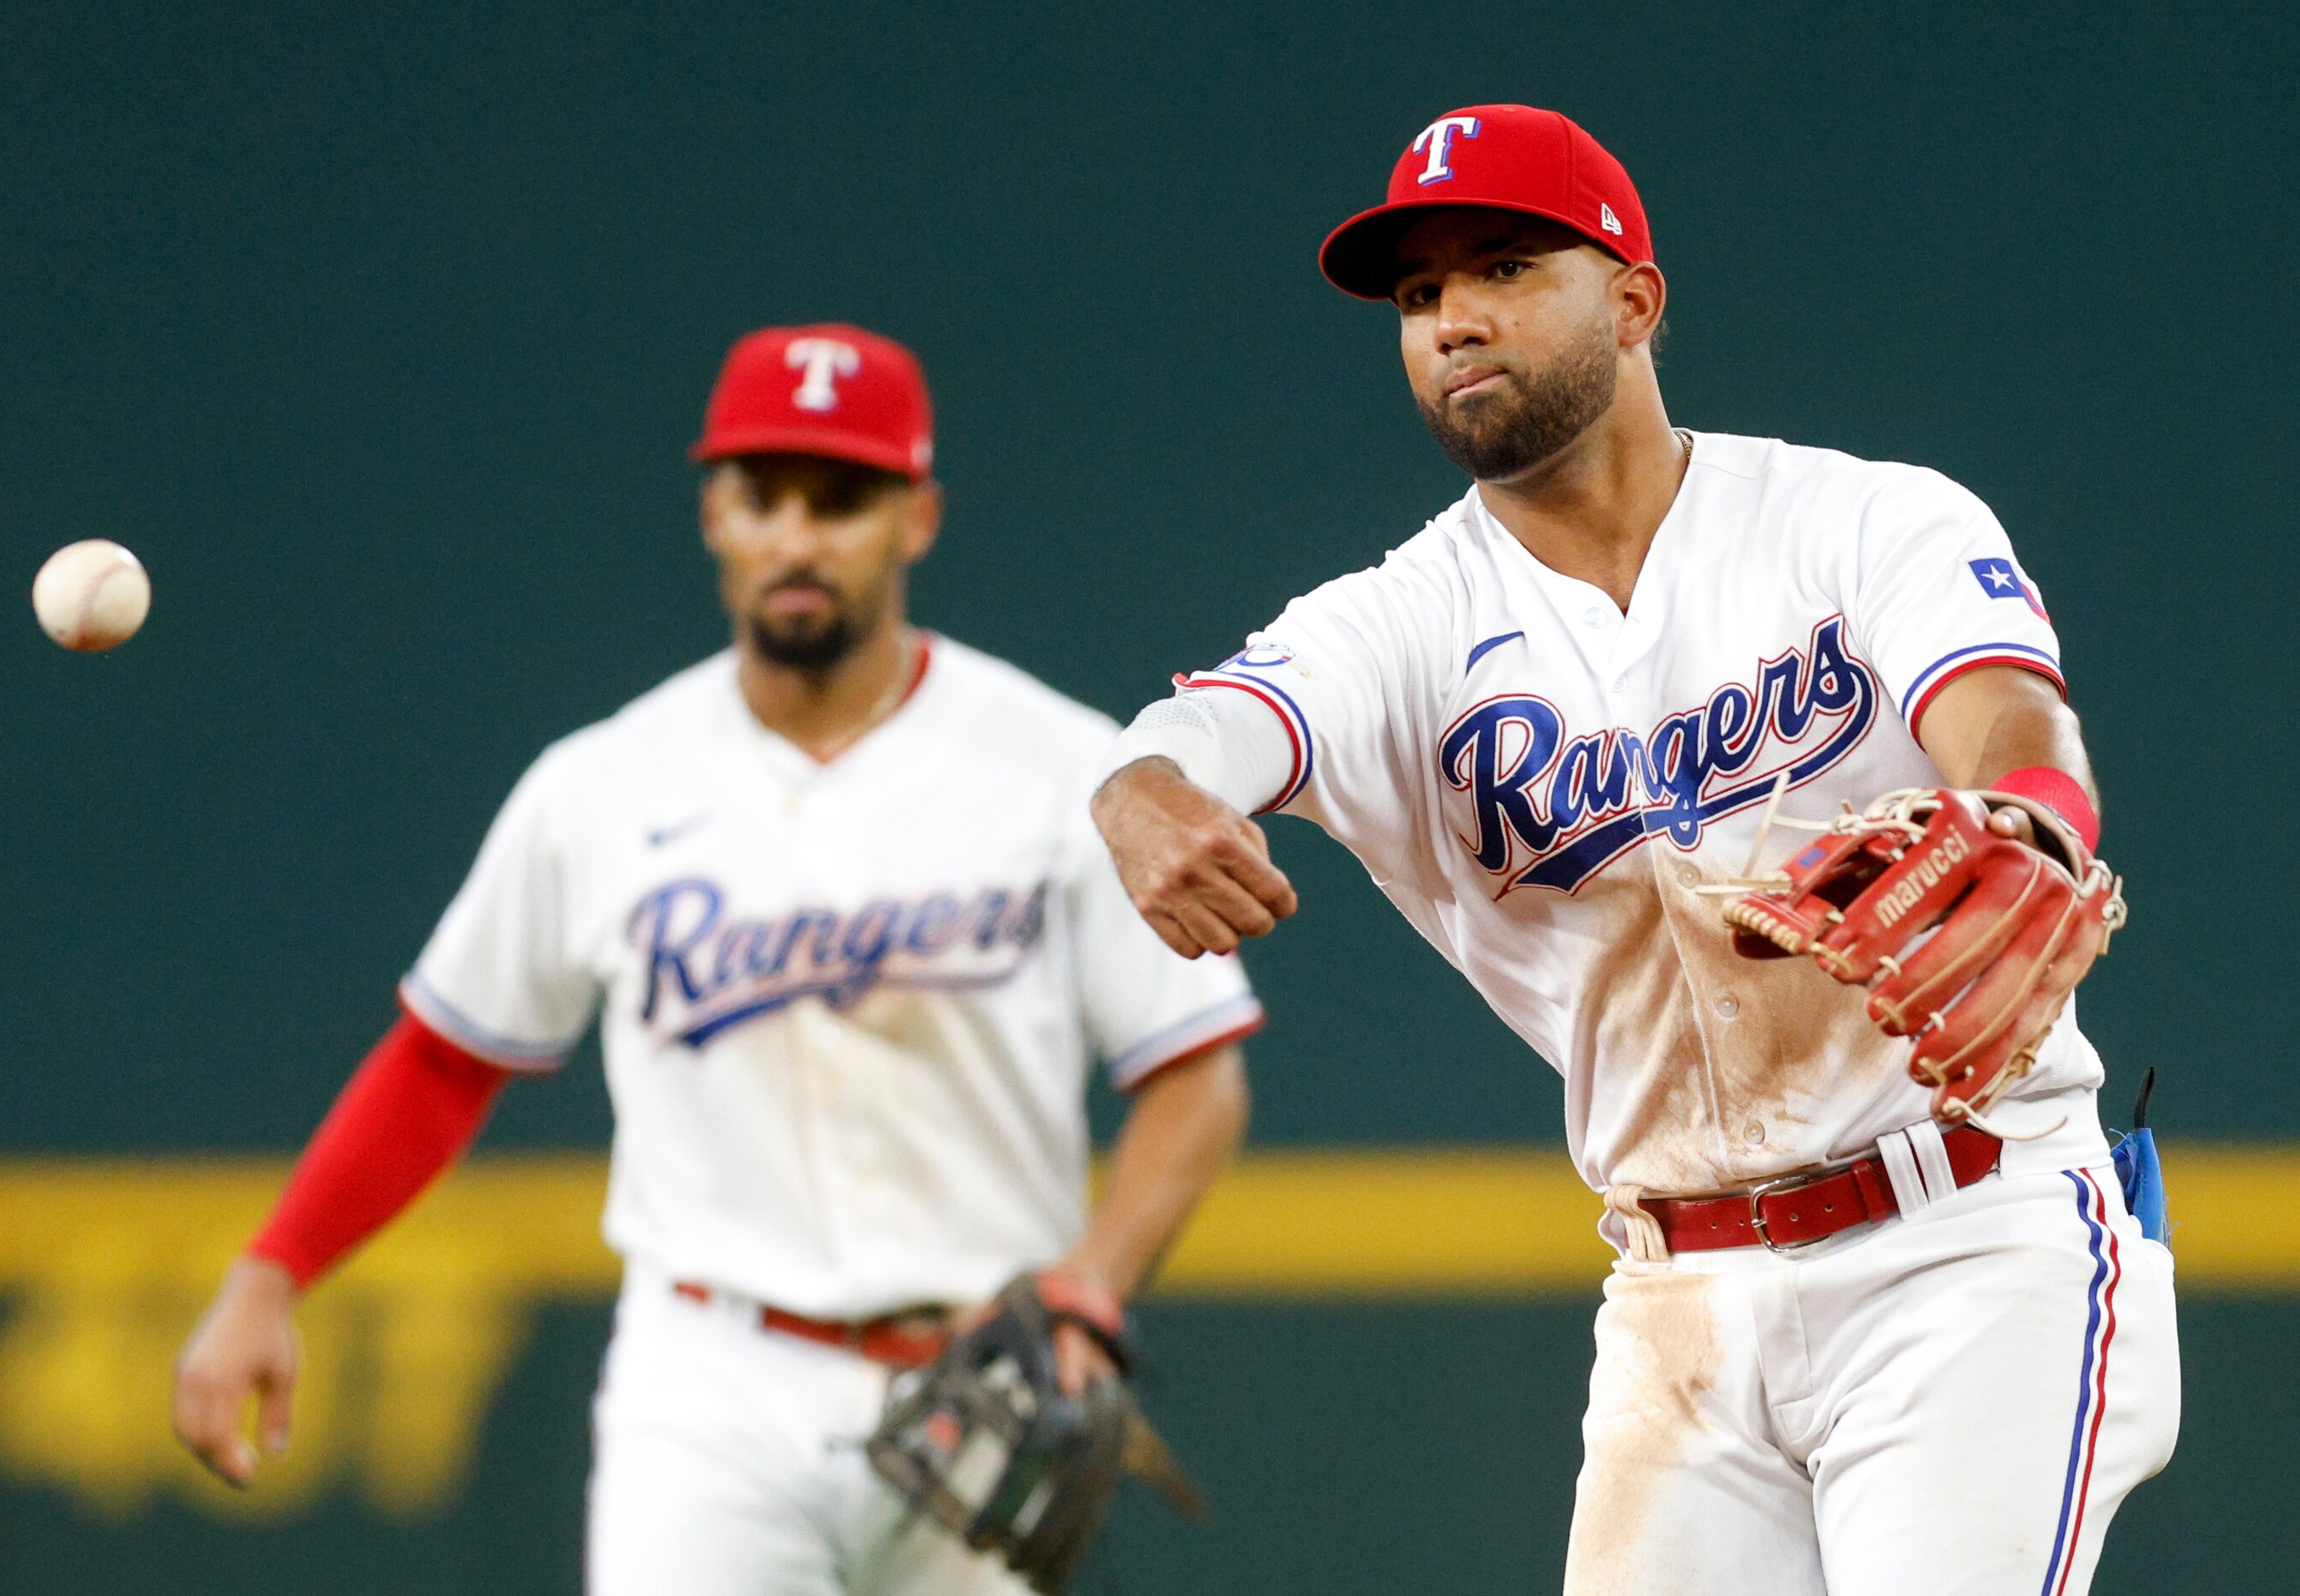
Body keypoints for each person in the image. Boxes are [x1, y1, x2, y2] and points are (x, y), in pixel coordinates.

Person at [1089, 105, 2176, 1594]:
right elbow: (1205, 733)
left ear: (1636, 298)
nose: (1455, 320)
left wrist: (2027, 819)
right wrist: (1139, 789)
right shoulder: (1399, 624)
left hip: (1968, 1246)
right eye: (1418, 297)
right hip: (1682, 1295)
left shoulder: (1858, 519)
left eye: (1505, 267)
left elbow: (2007, 715)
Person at [173, 323, 1263, 1595]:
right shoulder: (600, 785)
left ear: (918, 516)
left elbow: (1195, 1074)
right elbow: (443, 1059)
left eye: (842, 499)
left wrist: (1092, 1282)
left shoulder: (1062, 770)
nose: (798, 537)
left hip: (978, 1372)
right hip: (708, 1387)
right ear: (714, 514)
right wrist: (272, 1270)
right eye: (764, 496)